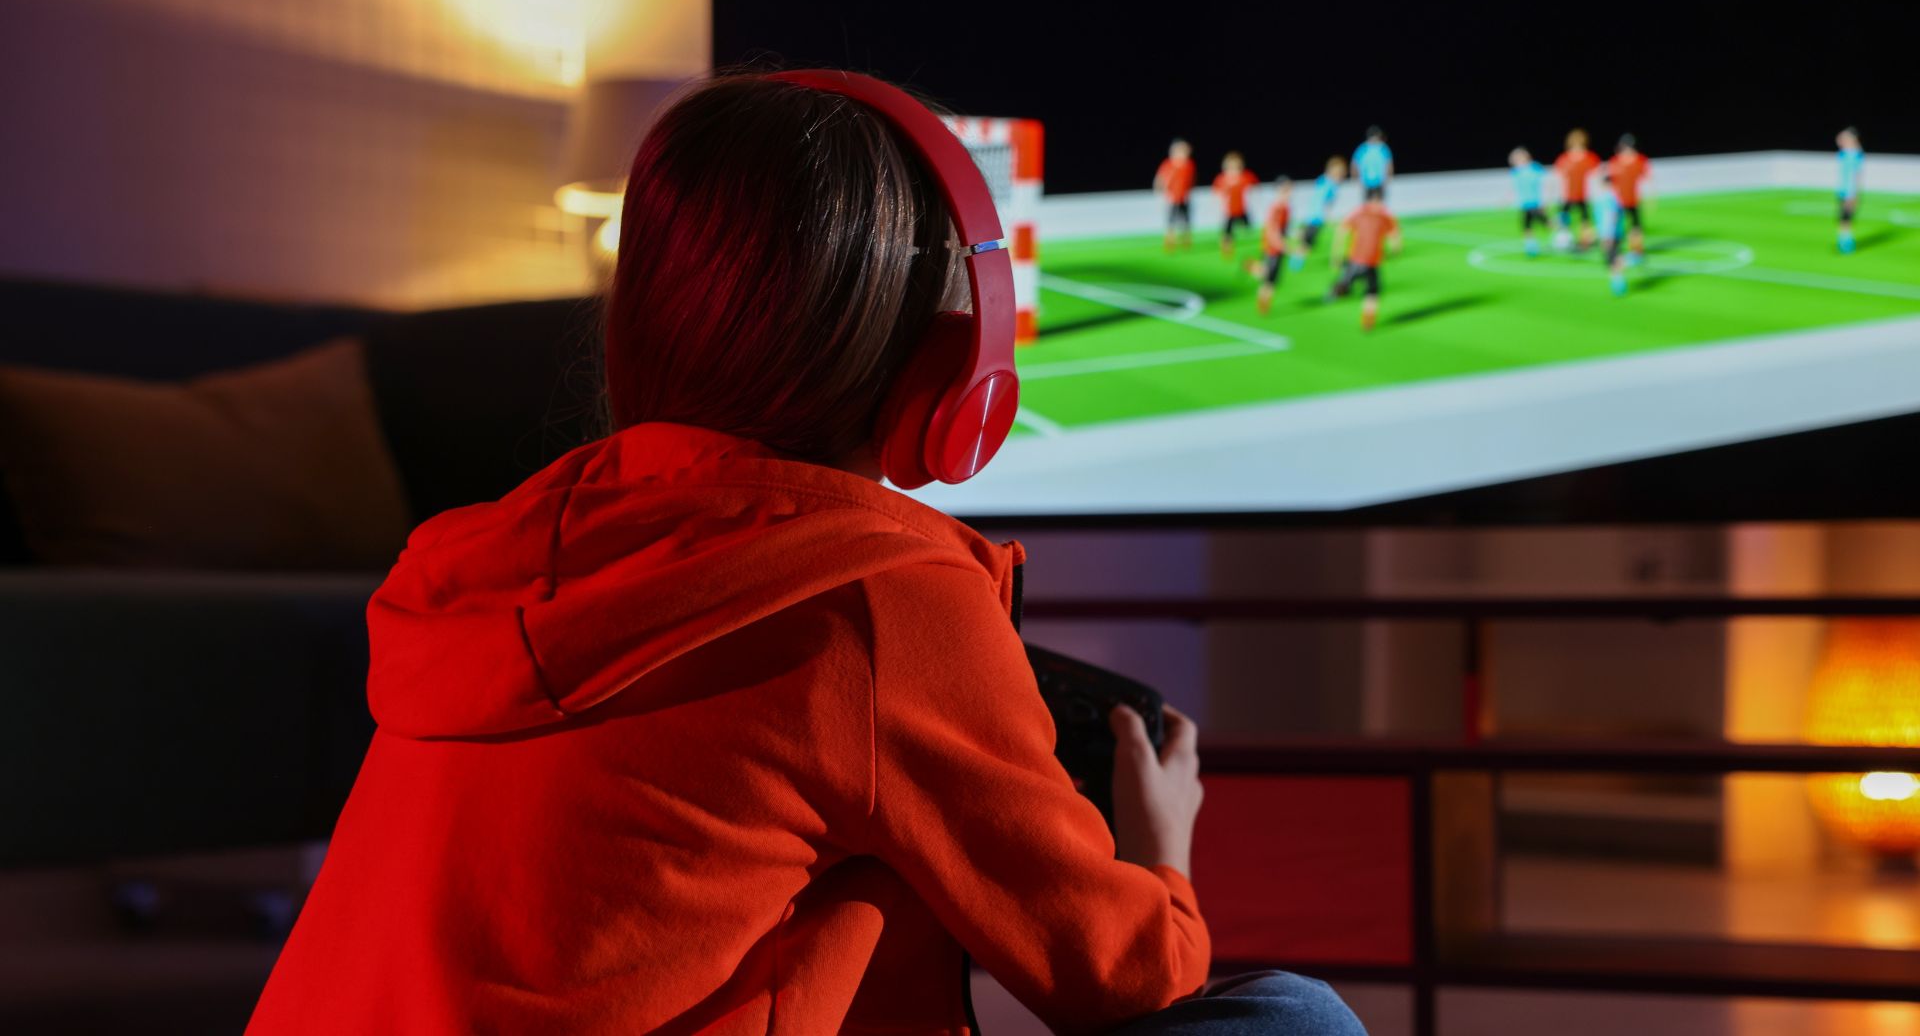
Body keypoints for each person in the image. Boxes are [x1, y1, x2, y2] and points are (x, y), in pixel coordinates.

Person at [245, 71, 1364, 1036]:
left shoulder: (479, 557)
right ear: (953, 359)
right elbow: (1122, 974)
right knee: (1297, 1017)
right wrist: (1161, 852)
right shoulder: (881, 600)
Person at [1328, 187, 1401, 332]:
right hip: (1358, 260)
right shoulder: (1381, 215)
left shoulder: (1363, 212)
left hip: (1368, 262)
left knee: (1372, 291)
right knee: (1354, 289)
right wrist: (1394, 251)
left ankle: (1368, 321)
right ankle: (1337, 290)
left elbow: (1342, 231)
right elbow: (1395, 239)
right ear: (1376, 199)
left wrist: (1336, 255)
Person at [1292, 155, 1347, 271]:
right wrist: (1327, 218)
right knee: (1307, 244)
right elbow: (1323, 203)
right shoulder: (1331, 185)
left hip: (1312, 216)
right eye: (1339, 172)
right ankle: (1295, 264)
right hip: (1317, 217)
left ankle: (1298, 239)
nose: (1340, 175)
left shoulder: (1323, 180)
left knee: (1307, 243)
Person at [1553, 128, 1601, 250]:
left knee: (1585, 218)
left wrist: (1597, 193)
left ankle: (1585, 240)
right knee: (1564, 217)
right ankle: (1563, 238)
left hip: (1584, 194)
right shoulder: (1564, 158)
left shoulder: (1589, 157)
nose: (1577, 145)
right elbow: (1558, 177)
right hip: (1568, 195)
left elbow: (1597, 175)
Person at [1607, 133, 1652, 264]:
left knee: (1635, 226)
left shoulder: (1639, 160)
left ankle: (1636, 251)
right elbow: (1609, 181)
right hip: (1618, 202)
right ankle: (1614, 249)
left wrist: (1649, 198)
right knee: (1616, 227)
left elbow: (1647, 180)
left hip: (1633, 200)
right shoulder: (1615, 161)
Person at [1251, 175, 1293, 313]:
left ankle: (1256, 269)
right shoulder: (1276, 209)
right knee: (1269, 278)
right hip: (1272, 248)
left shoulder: (1286, 208)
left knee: (1273, 279)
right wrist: (1283, 246)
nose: (1289, 193)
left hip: (1278, 248)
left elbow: (1283, 229)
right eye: (1286, 190)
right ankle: (1263, 304)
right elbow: (1272, 231)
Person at [1213, 150, 1258, 259]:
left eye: (1236, 166)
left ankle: (1250, 248)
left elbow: (1254, 185)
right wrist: (1222, 201)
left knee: (1248, 227)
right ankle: (1226, 249)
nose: (1234, 169)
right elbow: (1216, 191)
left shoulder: (1245, 177)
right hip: (1229, 211)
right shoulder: (1222, 179)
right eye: (1231, 166)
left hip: (1242, 209)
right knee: (1227, 231)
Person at [1156, 138, 1198, 251]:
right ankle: (1170, 239)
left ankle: (1186, 239)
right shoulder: (1168, 164)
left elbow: (1191, 180)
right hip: (1172, 198)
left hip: (1185, 197)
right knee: (1171, 220)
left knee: (1186, 219)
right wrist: (1160, 189)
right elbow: (1161, 178)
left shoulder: (1189, 164)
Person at [1594, 166, 1630, 296]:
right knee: (1612, 258)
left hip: (1609, 233)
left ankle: (1618, 282)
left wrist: (1607, 234)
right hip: (1615, 232)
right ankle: (1617, 281)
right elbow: (1619, 214)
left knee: (1611, 259)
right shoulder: (1614, 197)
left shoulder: (1607, 198)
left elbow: (1611, 216)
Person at [1509, 146, 1550, 257]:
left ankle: (1563, 236)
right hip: (1525, 205)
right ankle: (1531, 247)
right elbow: (1516, 188)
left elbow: (1544, 185)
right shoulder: (1515, 172)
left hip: (1536, 203)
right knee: (1526, 226)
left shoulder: (1535, 168)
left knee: (1546, 223)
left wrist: (1544, 201)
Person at [1836, 126, 1865, 254]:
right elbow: (1839, 139)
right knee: (1843, 216)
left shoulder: (1856, 153)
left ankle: (1846, 241)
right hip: (1842, 187)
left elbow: (1857, 174)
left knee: (1846, 216)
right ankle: (1844, 239)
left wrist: (1856, 192)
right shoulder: (1845, 151)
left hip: (1850, 189)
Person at [1352, 125, 1393, 200]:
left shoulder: (1382, 148)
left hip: (1379, 182)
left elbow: (1389, 165)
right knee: (1369, 205)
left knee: (1377, 204)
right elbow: (1355, 165)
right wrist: (1356, 179)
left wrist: (1388, 178)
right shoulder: (1363, 149)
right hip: (1367, 182)